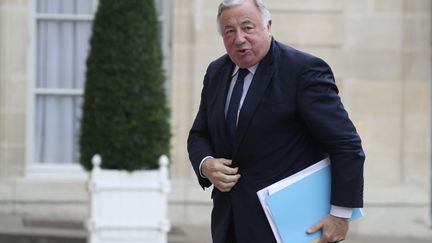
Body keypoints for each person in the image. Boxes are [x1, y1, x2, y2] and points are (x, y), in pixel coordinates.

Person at [187, 0, 365, 242]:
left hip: (290, 228)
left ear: (268, 26)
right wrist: (206, 164)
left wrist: (340, 214)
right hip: (228, 224)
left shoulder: (303, 71)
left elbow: (346, 145)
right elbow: (199, 134)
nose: (239, 38)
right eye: (230, 31)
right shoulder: (216, 72)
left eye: (248, 28)